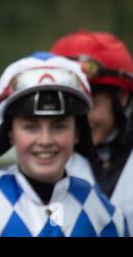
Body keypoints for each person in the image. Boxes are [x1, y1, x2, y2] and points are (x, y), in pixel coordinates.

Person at [0, 52, 128, 237]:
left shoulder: (105, 216)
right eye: (31, 127)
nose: (45, 141)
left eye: (59, 127)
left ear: (77, 133)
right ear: (9, 133)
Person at [51, 30, 133, 233]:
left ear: (121, 97)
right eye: (68, 108)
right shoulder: (40, 161)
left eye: (89, 105)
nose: (78, 122)